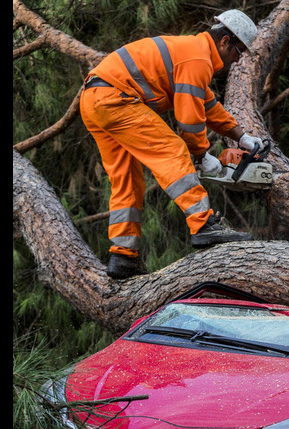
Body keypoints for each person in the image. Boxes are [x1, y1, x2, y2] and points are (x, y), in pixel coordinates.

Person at [79, 9, 268, 279]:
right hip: (115, 98)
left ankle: (123, 256)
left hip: (94, 100)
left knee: (127, 180)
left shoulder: (193, 52)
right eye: (238, 51)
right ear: (225, 42)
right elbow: (189, 121)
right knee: (172, 150)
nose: (237, 59)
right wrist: (202, 155)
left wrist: (240, 136)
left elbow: (207, 103)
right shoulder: (197, 58)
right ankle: (204, 225)